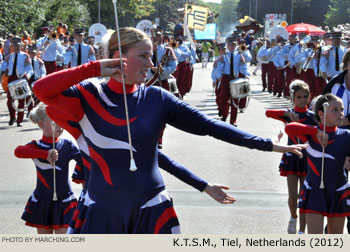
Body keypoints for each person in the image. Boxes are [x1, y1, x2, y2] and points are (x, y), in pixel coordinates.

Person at [34, 27, 306, 234]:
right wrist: (95, 68)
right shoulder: (86, 96)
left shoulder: (156, 98)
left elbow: (208, 127)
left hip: (153, 211)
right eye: (143, 56)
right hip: (101, 212)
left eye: (150, 55)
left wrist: (265, 144)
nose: (151, 64)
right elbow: (41, 90)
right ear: (118, 58)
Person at [285, 93, 350, 234]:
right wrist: (315, 131)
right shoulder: (311, 134)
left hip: (338, 191)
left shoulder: (345, 135)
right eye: (335, 110)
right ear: (321, 113)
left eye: (342, 109)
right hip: (314, 190)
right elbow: (289, 128)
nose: (341, 114)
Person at [14, 103, 81, 234]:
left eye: (60, 120)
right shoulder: (36, 146)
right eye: (53, 121)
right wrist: (45, 154)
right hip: (43, 200)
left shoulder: (67, 145)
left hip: (65, 199)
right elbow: (18, 151)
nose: (59, 125)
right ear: (40, 124)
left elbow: (86, 161)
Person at [266, 80, 317, 234]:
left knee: (304, 196)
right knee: (292, 196)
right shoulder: (289, 115)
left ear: (309, 97)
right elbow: (268, 113)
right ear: (292, 98)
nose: (302, 100)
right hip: (291, 158)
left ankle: (302, 229)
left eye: (305, 97)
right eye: (299, 97)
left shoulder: (313, 116)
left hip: (308, 159)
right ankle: (293, 217)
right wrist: (286, 113)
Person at [1, 36, 33, 126]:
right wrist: (5, 62)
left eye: (18, 45)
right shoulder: (9, 57)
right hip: (11, 79)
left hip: (21, 78)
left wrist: (28, 75)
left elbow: (30, 70)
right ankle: (12, 117)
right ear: (11, 46)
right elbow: (2, 68)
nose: (16, 47)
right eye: (14, 45)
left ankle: (19, 120)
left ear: (21, 46)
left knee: (21, 101)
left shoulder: (25, 56)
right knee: (9, 101)